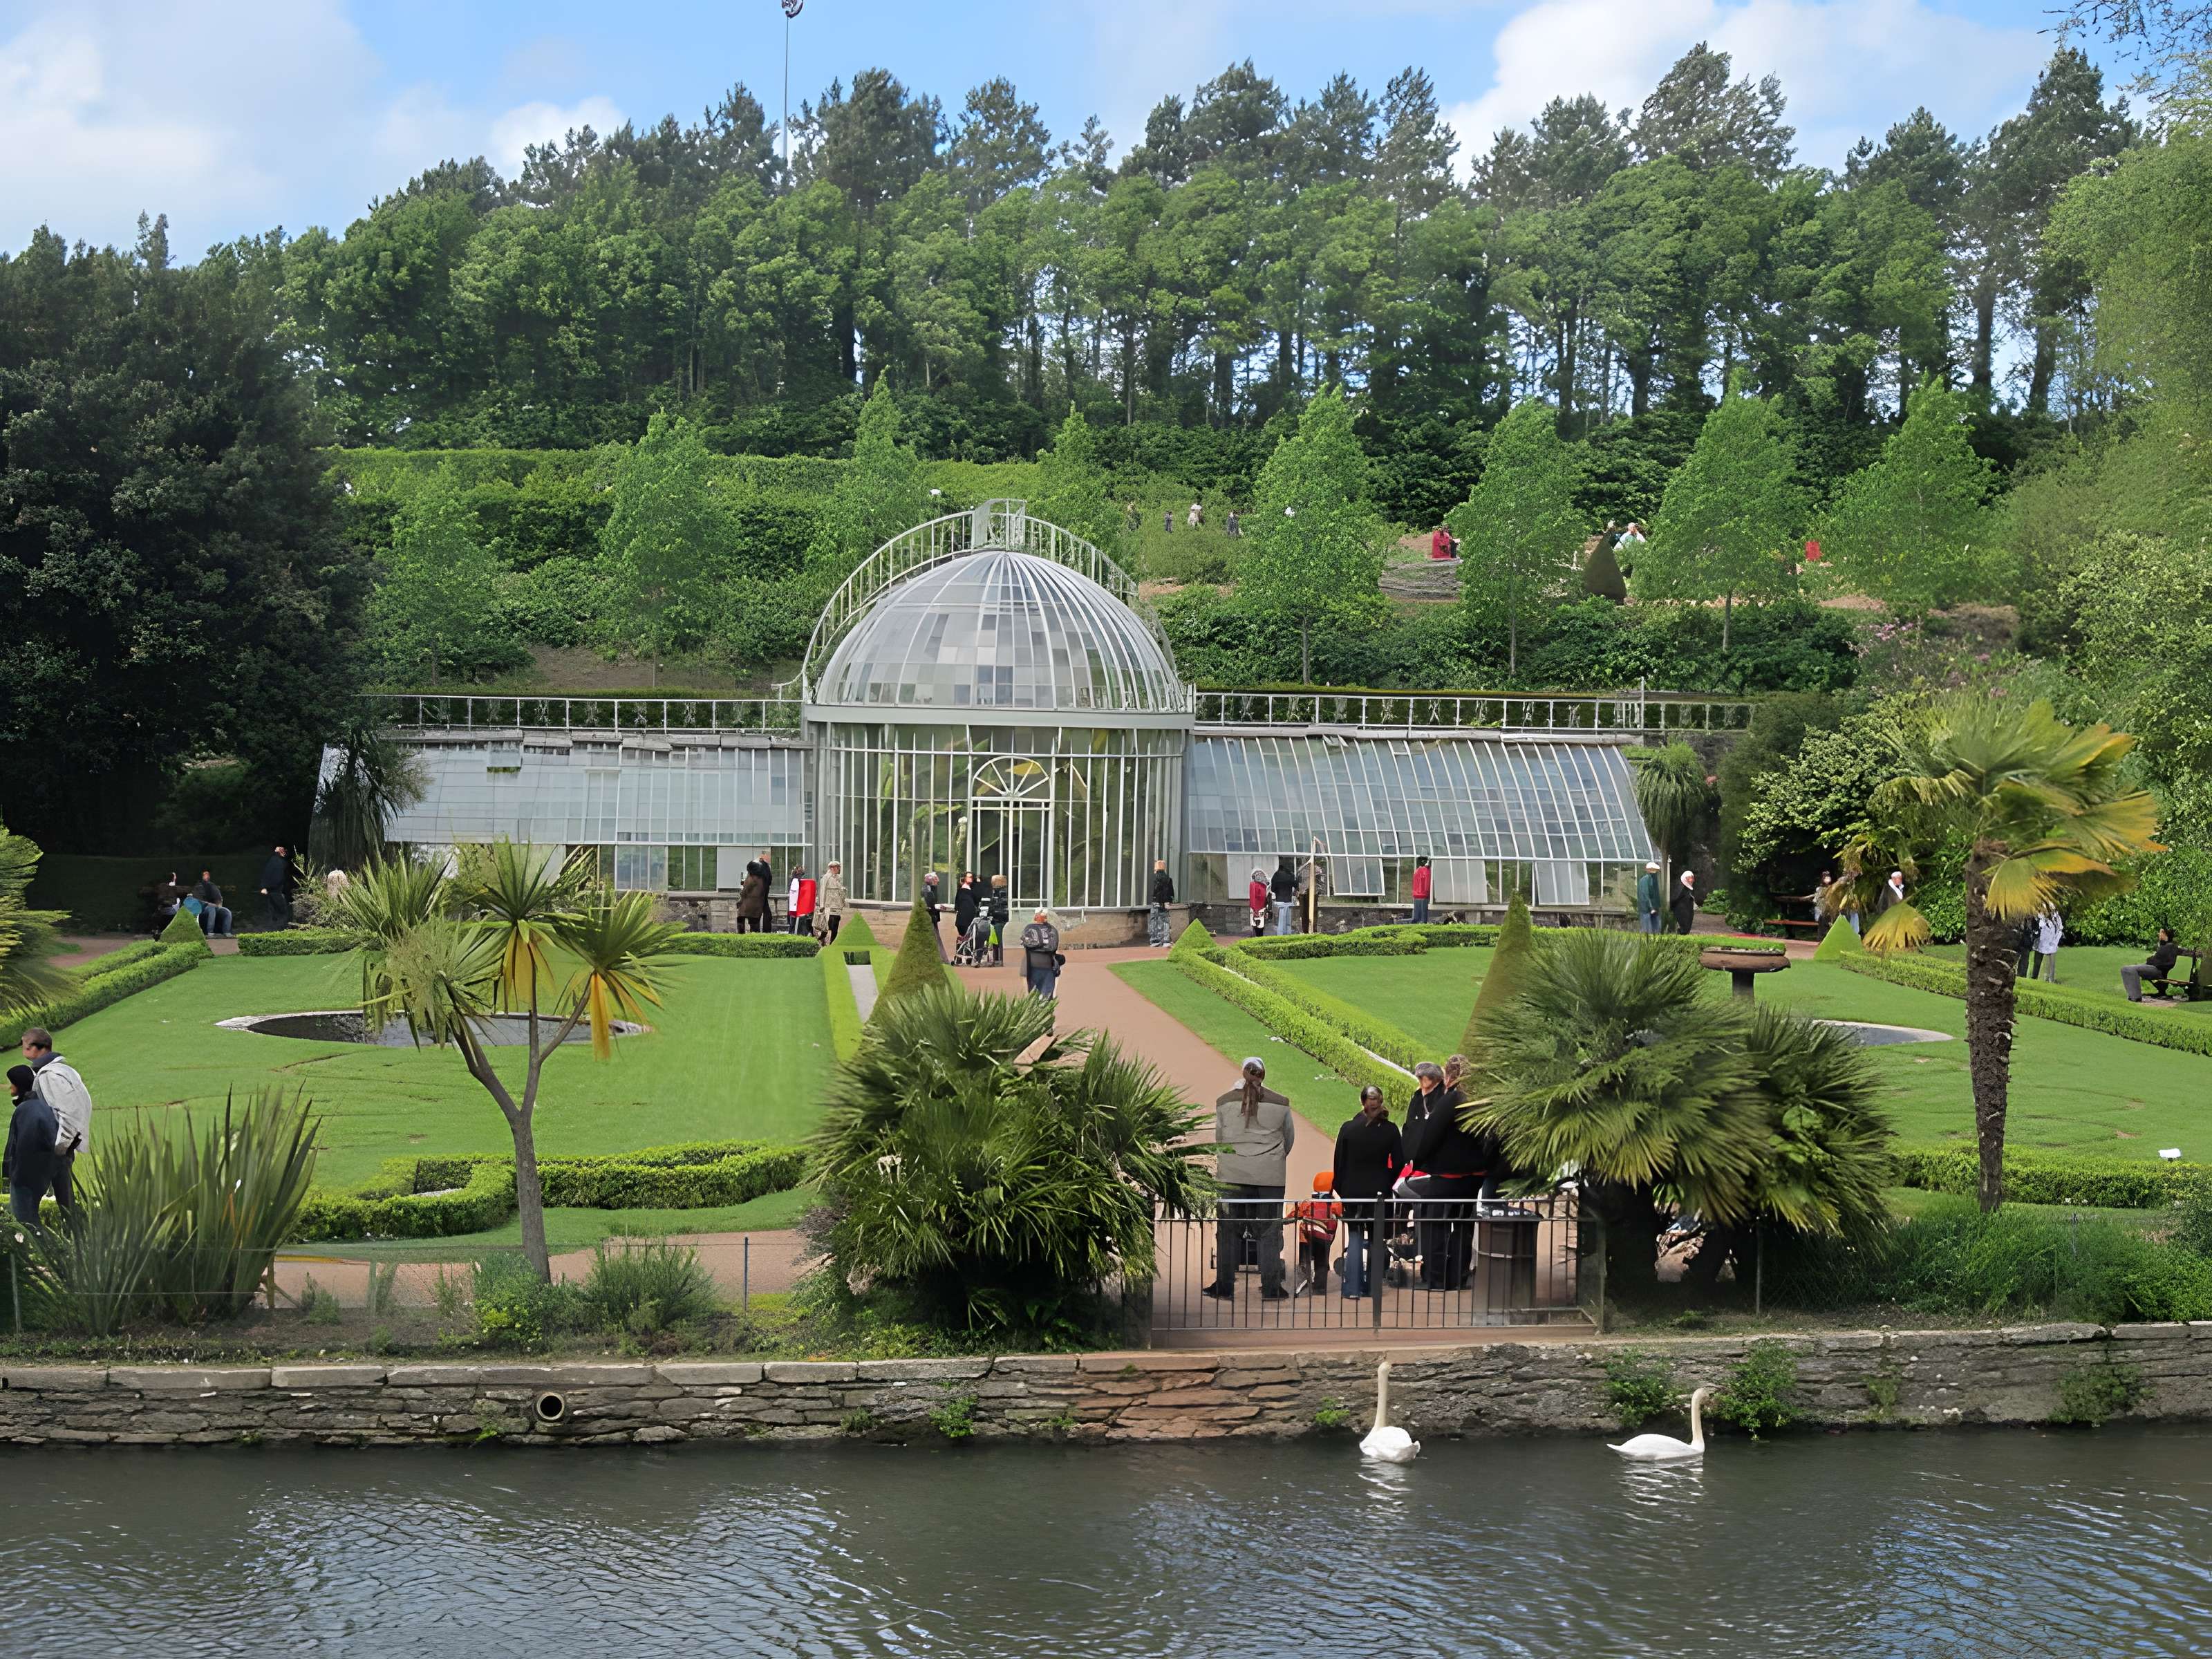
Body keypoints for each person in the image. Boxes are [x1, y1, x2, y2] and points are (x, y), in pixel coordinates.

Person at [1203, 1058, 1294, 1302]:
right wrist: (1269, 1160)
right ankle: (1272, 1288)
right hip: (1270, 1177)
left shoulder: (1224, 1103)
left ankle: (1224, 1287)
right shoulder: (1281, 1104)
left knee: (1228, 1230)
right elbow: (1289, 1140)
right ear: (1263, 1075)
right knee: (1269, 1231)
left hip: (1232, 1175)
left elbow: (1219, 1139)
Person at [1397, 1060, 1483, 1291]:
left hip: (1447, 1176)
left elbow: (1431, 1135)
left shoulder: (1450, 1100)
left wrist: (1419, 1161)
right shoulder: (1479, 1100)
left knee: (1436, 1226)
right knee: (1463, 1228)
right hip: (1474, 1177)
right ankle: (1459, 1276)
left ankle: (1436, 1278)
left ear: (1449, 1076)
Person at [1331, 1085, 1402, 1301]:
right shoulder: (1390, 1130)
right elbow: (1399, 1163)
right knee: (1376, 1238)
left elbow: (1339, 1164)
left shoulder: (1348, 1128)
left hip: (1353, 1191)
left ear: (1362, 1102)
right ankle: (1373, 1288)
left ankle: (1352, 1287)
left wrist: (1343, 1190)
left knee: (1354, 1236)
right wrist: (1386, 1181)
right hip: (1378, 1191)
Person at [19, 1028, 88, 1217]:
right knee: (64, 1199)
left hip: (56, 1146)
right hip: (63, 1144)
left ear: (37, 1048)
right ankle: (74, 1235)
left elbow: (69, 1112)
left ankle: (31, 1238)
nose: (23, 1052)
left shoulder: (50, 1075)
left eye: (25, 1047)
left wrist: (60, 1147)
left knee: (28, 1196)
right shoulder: (65, 1071)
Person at [3, 1066, 56, 1227]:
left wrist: (15, 1176)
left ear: (19, 1085)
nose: (10, 1087)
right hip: (41, 1175)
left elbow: (23, 1146)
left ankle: (42, 1250)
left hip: (25, 1179)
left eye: (12, 1083)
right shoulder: (40, 1106)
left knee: (25, 1223)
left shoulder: (26, 1110)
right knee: (29, 1220)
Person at [1290, 1173, 1341, 1297]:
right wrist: (1337, 1196)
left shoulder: (1308, 1203)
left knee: (1306, 1261)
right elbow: (1340, 1211)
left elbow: (1293, 1213)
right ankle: (1319, 1288)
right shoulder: (1333, 1205)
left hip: (1307, 1238)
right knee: (1322, 1263)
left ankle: (1303, 1281)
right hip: (1325, 1239)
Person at [2122, 927, 2182, 1002]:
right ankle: (2133, 996)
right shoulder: (2164, 946)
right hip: (2153, 968)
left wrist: (2152, 961)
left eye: (2160, 932)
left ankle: (2136, 997)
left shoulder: (2171, 946)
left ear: (2165, 934)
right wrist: (2152, 960)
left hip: (2157, 971)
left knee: (2130, 969)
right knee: (2126, 969)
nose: (2159, 934)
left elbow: (2169, 963)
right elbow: (2156, 959)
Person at [1020, 908, 1061, 998]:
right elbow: (1054, 947)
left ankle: (1035, 1010)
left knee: (1034, 996)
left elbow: (1025, 943)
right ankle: (1046, 1011)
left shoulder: (1029, 929)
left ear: (1035, 917)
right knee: (1047, 996)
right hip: (1048, 966)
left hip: (1033, 966)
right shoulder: (1052, 929)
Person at [259, 844, 294, 928]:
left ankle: (275, 927)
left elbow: (268, 874)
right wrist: (267, 887)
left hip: (274, 889)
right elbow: (275, 876)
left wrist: (265, 887)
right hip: (276, 890)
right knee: (282, 910)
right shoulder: (278, 862)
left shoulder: (276, 861)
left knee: (274, 910)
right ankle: (281, 926)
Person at [195, 869, 235, 937]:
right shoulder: (198, 887)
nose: (206, 876)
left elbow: (219, 899)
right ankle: (210, 932)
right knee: (211, 908)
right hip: (203, 909)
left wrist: (219, 906)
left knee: (227, 912)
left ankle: (227, 932)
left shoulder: (212, 885)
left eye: (207, 874)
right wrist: (208, 904)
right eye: (205, 875)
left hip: (215, 907)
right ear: (201, 876)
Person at [2030, 906, 2063, 984]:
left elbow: (2059, 929)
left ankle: (2050, 979)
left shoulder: (2056, 918)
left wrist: (2056, 941)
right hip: (2041, 943)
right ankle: (2034, 978)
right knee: (2038, 962)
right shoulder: (2041, 918)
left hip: (2052, 944)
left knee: (2051, 963)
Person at [818, 860, 848, 944]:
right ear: (830, 868)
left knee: (835, 926)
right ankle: (821, 939)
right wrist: (822, 905)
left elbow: (841, 890)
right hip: (829, 905)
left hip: (838, 906)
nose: (835, 869)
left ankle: (832, 944)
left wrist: (843, 894)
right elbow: (822, 891)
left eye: (837, 867)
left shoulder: (839, 878)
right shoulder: (826, 878)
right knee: (826, 926)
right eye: (833, 867)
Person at [1148, 858, 1175, 948]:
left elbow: (1152, 892)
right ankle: (1166, 940)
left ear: (1156, 868)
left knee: (1154, 921)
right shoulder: (1168, 879)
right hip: (1165, 903)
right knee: (1165, 921)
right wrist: (1170, 901)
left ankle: (1155, 941)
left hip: (1155, 902)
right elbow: (1171, 893)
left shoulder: (1153, 879)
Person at [747, 850, 776, 931]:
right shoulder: (765, 867)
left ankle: (755, 931)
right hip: (762, 894)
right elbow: (769, 880)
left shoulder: (756, 867)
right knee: (766, 914)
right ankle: (764, 931)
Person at [986, 873, 1011, 966]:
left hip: (998, 920)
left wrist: (991, 913)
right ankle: (997, 959)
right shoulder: (1003, 893)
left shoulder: (998, 893)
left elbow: (995, 907)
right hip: (1000, 919)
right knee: (996, 940)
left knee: (997, 941)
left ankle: (998, 959)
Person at [1269, 858, 1297, 936]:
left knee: (1281, 921)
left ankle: (1280, 934)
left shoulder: (1276, 875)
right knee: (1288, 921)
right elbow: (1296, 885)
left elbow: (1273, 889)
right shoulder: (1291, 875)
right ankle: (1288, 934)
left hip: (1280, 900)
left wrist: (1278, 891)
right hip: (1288, 900)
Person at [735, 866, 767, 933]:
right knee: (755, 926)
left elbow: (744, 891)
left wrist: (740, 899)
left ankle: (741, 935)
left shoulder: (751, 878)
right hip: (758, 906)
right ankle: (755, 935)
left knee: (740, 918)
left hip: (749, 905)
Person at [1636, 861, 1663, 935]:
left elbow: (1655, 894)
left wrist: (1656, 907)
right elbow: (1645, 894)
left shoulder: (1653, 879)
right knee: (1647, 931)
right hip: (1646, 909)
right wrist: (1651, 907)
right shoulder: (1645, 880)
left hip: (1654, 909)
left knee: (1656, 931)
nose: (1654, 872)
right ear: (1648, 870)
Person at [789, 867, 817, 937]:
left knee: (793, 921)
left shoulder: (794, 881)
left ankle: (792, 933)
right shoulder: (797, 881)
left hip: (795, 905)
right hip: (799, 905)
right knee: (801, 920)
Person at [953, 872, 980, 946]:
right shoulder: (964, 891)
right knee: (965, 936)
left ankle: (962, 947)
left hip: (967, 918)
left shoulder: (970, 891)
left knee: (965, 936)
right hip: (965, 917)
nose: (969, 878)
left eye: (971, 877)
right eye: (968, 877)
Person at [1671, 870, 1698, 935]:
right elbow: (1675, 899)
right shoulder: (1680, 887)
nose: (1691, 880)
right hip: (1682, 912)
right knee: (1683, 927)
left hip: (1687, 911)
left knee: (1686, 926)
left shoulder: (1687, 888)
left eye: (1691, 878)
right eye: (1689, 879)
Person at [923, 871, 944, 955]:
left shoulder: (932, 889)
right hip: (931, 915)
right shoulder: (928, 890)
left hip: (933, 915)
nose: (937, 881)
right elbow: (930, 903)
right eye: (935, 880)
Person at [1410, 854, 1433, 924]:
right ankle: (1421, 922)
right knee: (1423, 912)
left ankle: (1417, 921)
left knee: (1418, 911)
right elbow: (1426, 882)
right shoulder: (1425, 870)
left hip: (1418, 895)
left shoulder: (1418, 870)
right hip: (1423, 895)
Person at [1247, 868, 1268, 938]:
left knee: (1255, 924)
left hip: (1256, 908)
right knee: (1260, 925)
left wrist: (1254, 908)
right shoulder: (1264, 886)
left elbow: (1253, 897)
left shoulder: (1253, 885)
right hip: (1261, 907)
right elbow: (1264, 897)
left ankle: (1256, 937)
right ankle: (1259, 937)